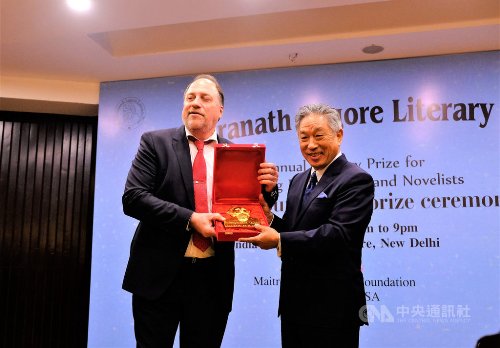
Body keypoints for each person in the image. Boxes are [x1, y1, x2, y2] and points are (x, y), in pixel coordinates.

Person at [122, 74, 279, 347]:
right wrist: (191, 219)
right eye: (190, 98)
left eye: (205, 98)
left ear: (220, 111)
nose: (195, 103)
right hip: (158, 278)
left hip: (211, 280)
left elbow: (247, 209)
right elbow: (133, 198)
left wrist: (268, 190)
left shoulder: (237, 154)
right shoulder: (154, 143)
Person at [240, 103, 374, 347]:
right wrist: (267, 217)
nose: (311, 145)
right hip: (294, 304)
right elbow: (293, 229)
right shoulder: (298, 180)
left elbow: (338, 235)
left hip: (333, 308)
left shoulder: (356, 179)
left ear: (339, 135)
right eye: (304, 138)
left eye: (318, 136)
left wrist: (279, 241)